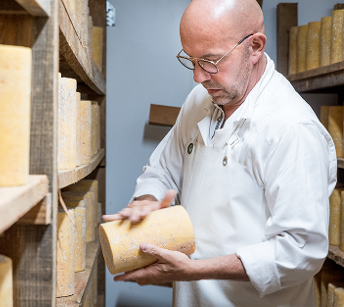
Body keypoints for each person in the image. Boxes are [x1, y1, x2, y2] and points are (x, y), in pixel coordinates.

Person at [103, 0, 337, 306]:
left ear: (254, 47)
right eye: (191, 60)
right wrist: (146, 200)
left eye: (211, 61)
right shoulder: (200, 99)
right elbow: (162, 168)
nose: (198, 77)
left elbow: (300, 251)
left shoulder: (291, 128)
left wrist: (195, 270)